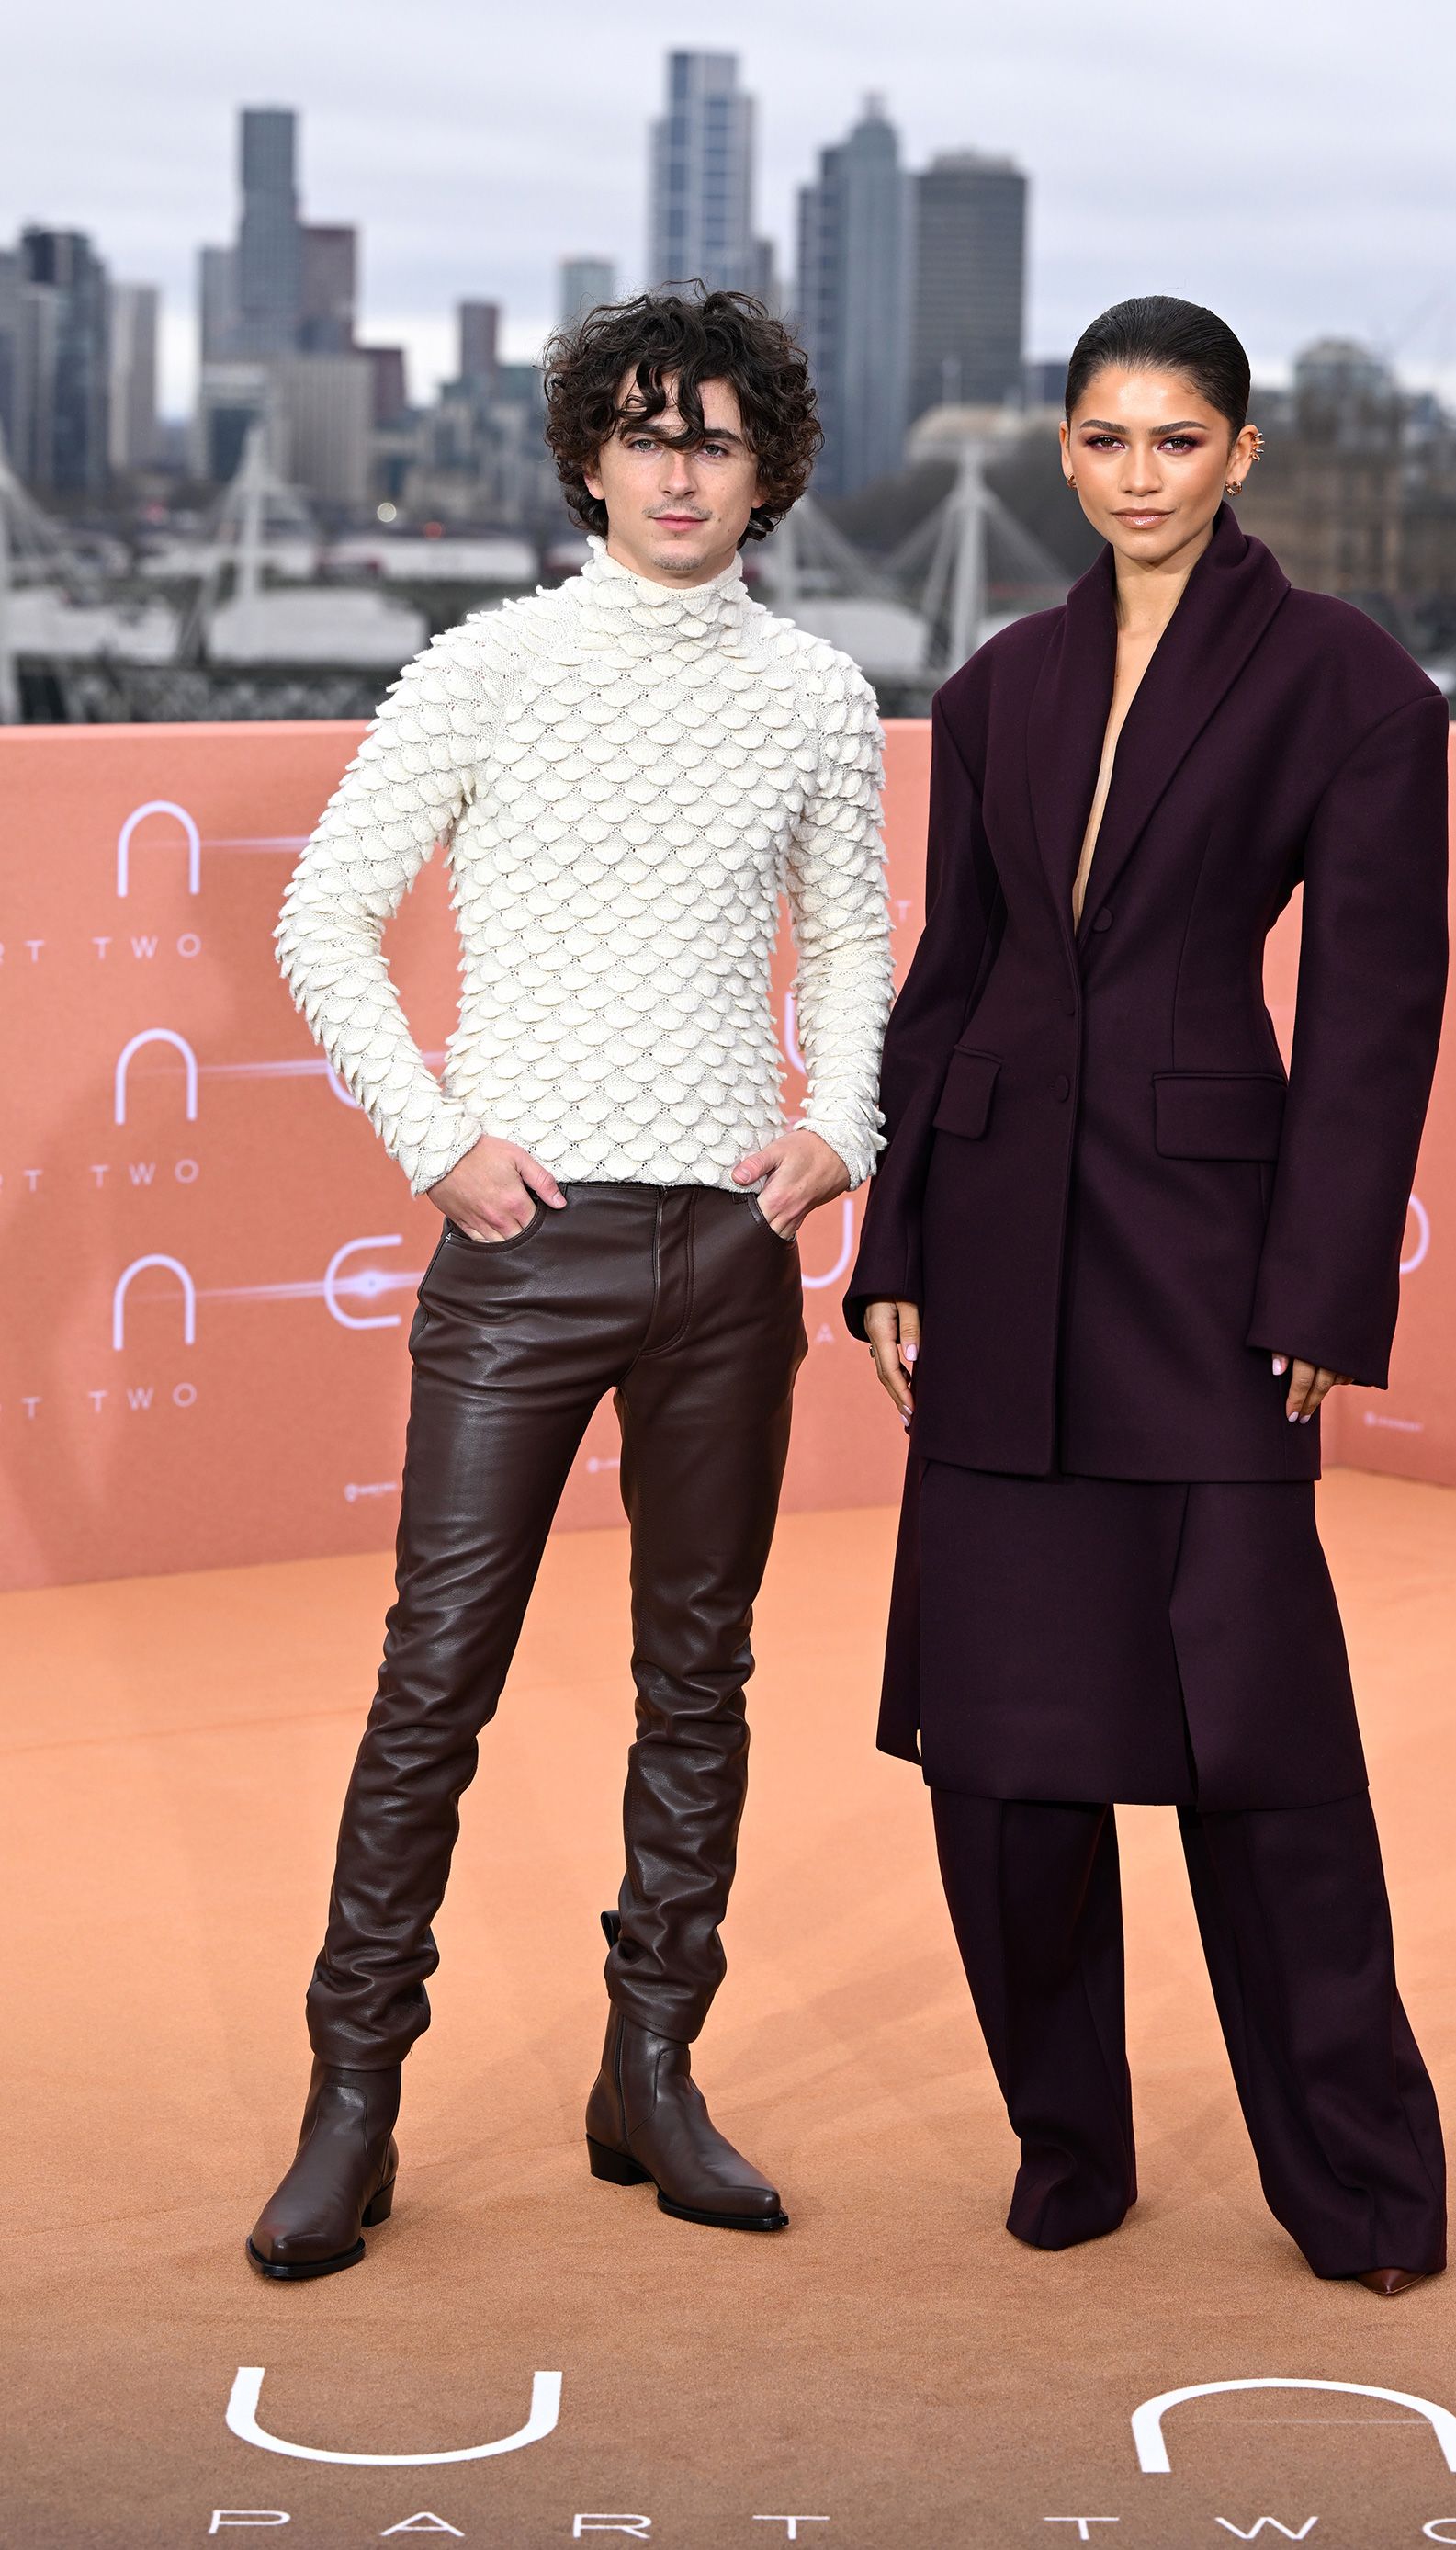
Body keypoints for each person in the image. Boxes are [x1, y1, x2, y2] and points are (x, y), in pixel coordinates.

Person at [248, 289, 890, 2277]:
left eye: (714, 437)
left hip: (722, 1251)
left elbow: (854, 945)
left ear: (766, 468)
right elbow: (321, 916)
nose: (678, 468)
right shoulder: (485, 667)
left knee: (697, 1675)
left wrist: (838, 1124)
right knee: (432, 1676)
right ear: (587, 458)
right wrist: (436, 1141)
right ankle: (351, 2099)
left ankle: (652, 2065)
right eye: (643, 431)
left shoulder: (818, 697)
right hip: (522, 1257)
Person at [846, 295, 1449, 2298]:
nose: (1133, 475)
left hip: (1209, 1270)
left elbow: (1373, 1016)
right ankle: (1067, 2142)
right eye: (1101, 439)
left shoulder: (1348, 683)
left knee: (1262, 1742)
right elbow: (951, 984)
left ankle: (1359, 2185)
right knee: (1003, 1748)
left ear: (1241, 455)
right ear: (1064, 452)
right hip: (999, 1249)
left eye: (1173, 441)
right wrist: (898, 1243)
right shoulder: (998, 686)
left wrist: (1319, 1290)